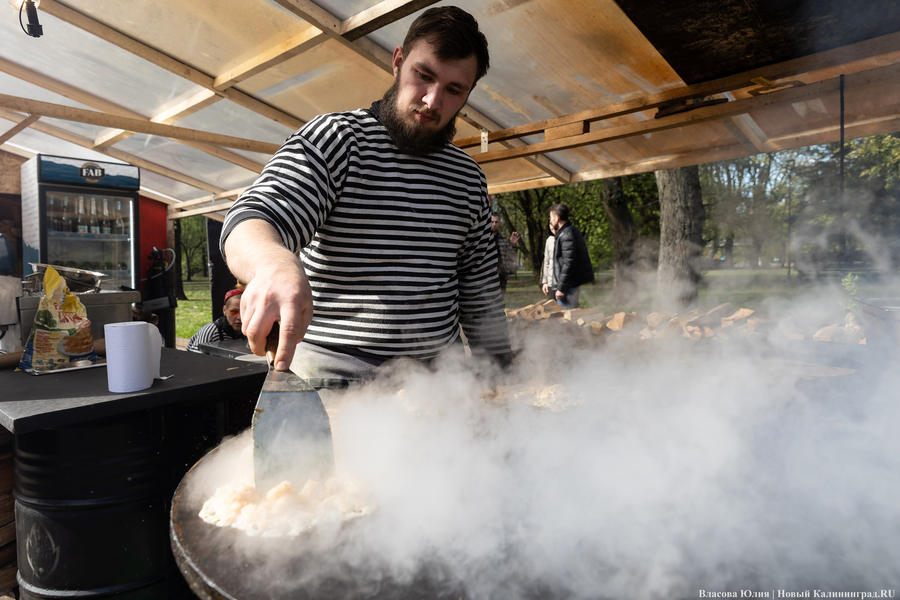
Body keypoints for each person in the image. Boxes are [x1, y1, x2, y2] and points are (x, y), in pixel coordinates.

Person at [220, 7, 511, 381]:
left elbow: (481, 294)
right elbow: (254, 215)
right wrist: (273, 263)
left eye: (454, 90)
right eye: (423, 76)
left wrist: (502, 376)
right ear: (398, 61)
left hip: (440, 388)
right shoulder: (338, 139)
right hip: (334, 382)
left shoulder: (467, 177)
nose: (433, 101)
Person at [550, 203, 594, 310]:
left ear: (557, 218)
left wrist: (561, 288)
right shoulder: (568, 231)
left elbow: (569, 264)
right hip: (569, 284)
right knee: (570, 318)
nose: (550, 220)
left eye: (551, 217)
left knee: (567, 320)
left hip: (568, 286)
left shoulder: (566, 234)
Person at [186, 288, 247, 353]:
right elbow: (196, 357)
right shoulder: (212, 331)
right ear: (224, 310)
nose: (239, 317)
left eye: (244, 312)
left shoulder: (249, 331)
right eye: (234, 312)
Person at [491, 212, 519, 293]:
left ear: (499, 223)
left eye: (496, 222)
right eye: (492, 222)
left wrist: (513, 245)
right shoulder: (484, 240)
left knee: (500, 299)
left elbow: (512, 256)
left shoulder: (504, 239)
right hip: (487, 275)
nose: (494, 224)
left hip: (501, 275)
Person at [540, 220, 557, 297]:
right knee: (552, 307)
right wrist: (545, 282)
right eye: (551, 227)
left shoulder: (566, 238)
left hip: (563, 284)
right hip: (550, 282)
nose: (553, 229)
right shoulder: (549, 240)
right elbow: (546, 261)